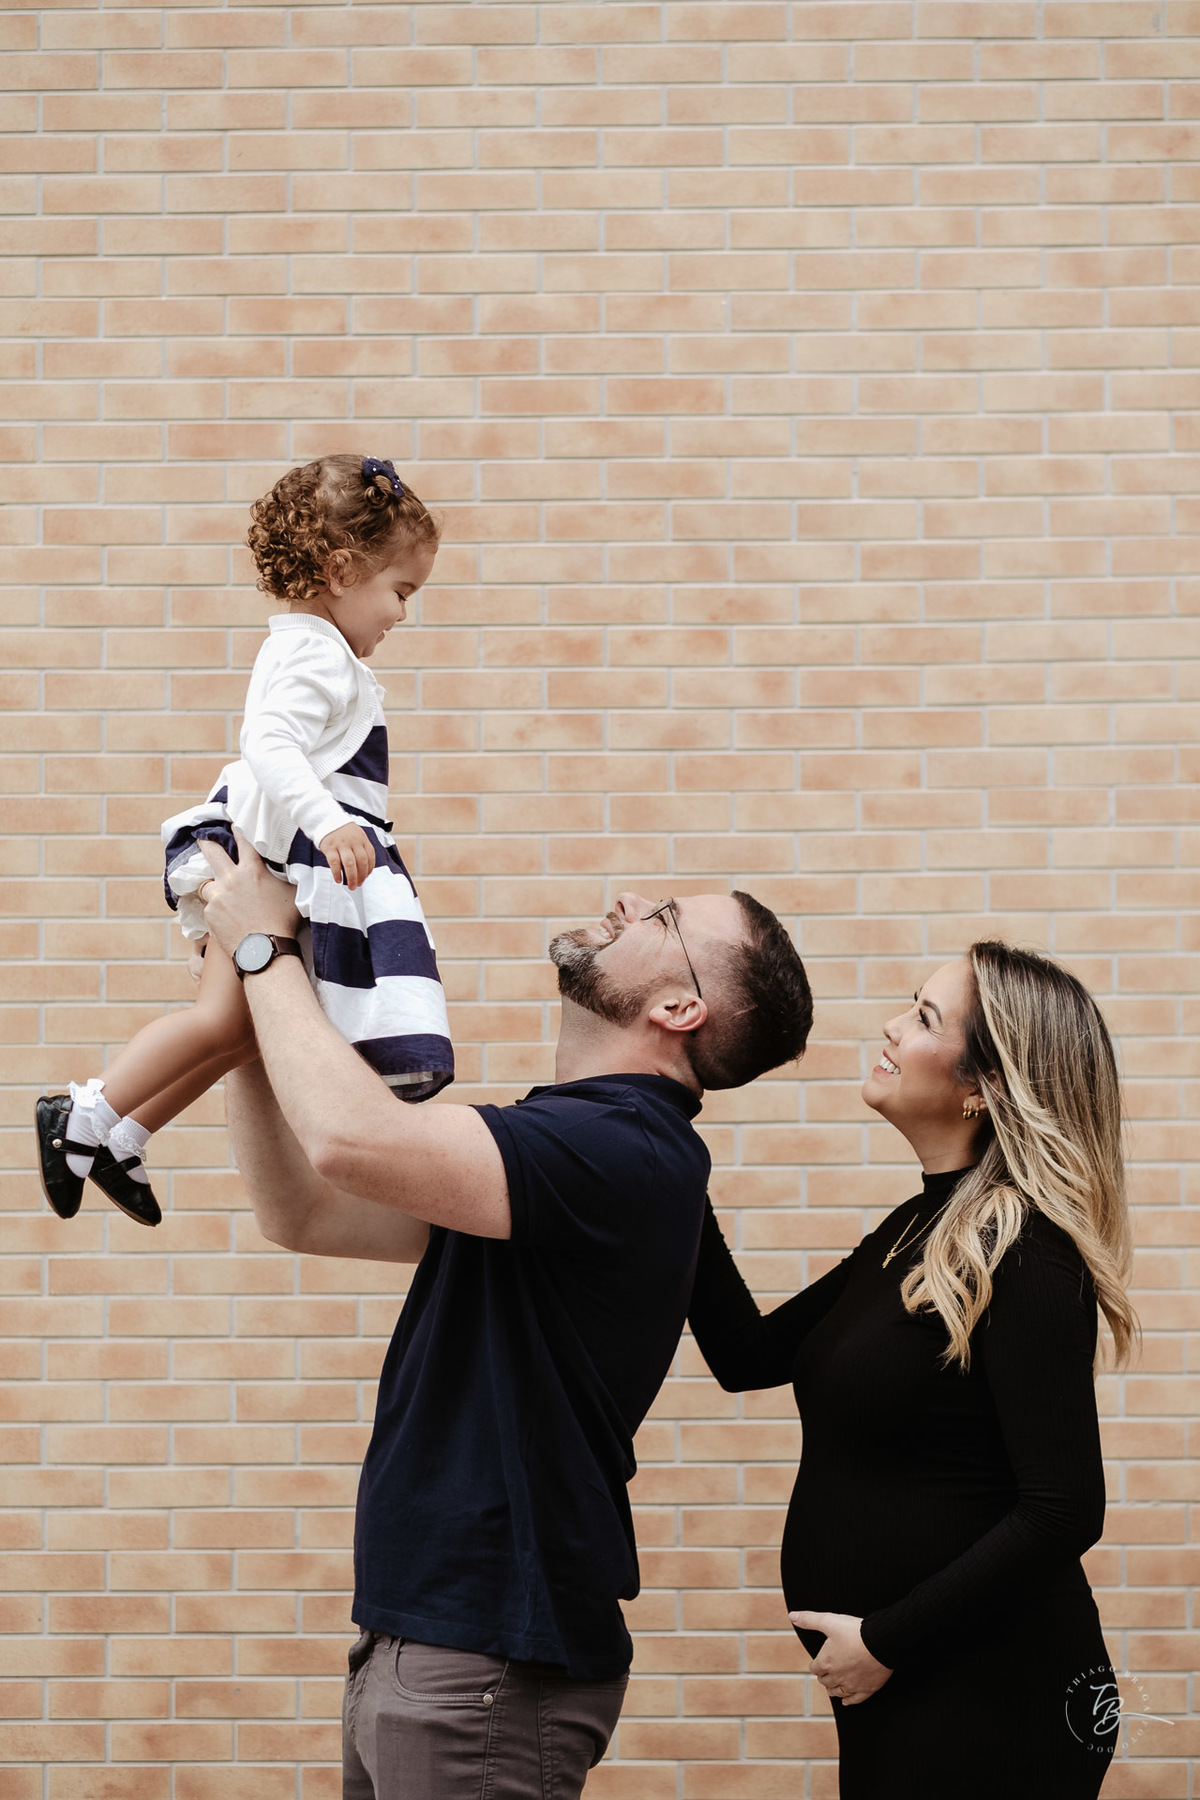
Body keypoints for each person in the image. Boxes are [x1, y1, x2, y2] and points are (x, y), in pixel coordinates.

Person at [191, 850, 813, 1800]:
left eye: (667, 916)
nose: (628, 900)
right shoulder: (573, 1149)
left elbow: (352, 1140)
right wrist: (246, 1025)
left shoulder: (623, 1151)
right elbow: (307, 1211)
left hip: (483, 1660)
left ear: (680, 1011)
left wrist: (264, 958)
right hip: (428, 1643)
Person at [687, 941, 1138, 1800]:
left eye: (926, 1017)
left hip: (994, 1693)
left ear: (985, 1087)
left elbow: (1065, 1508)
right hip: (916, 1685)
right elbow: (747, 1358)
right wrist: (669, 1158)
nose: (893, 1026)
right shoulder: (914, 1228)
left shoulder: (1026, 1254)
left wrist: (889, 1639)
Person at [35, 454, 453, 1228]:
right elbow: (267, 740)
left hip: (272, 861)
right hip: (270, 864)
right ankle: (83, 1112)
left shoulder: (314, 651)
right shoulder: (313, 653)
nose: (403, 615)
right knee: (223, 1024)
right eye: (401, 591)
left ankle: (121, 1132)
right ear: (338, 570)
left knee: (241, 1031)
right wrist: (329, 822)